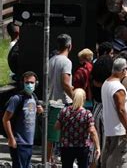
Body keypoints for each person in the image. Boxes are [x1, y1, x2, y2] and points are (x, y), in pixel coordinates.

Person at [101, 58, 127, 168]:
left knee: (109, 158)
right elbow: (121, 110)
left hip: (111, 128)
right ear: (123, 70)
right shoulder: (118, 88)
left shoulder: (106, 82)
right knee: (118, 161)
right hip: (119, 131)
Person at [2, 71, 43, 168]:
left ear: (36, 83)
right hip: (19, 142)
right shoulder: (16, 99)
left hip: (29, 142)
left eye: (32, 83)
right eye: (27, 82)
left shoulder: (33, 98)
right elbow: (5, 119)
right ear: (22, 83)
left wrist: (39, 111)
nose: (29, 85)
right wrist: (11, 138)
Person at [55, 88, 100, 168]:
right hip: (82, 146)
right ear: (84, 99)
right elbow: (92, 131)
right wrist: (97, 147)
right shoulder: (87, 113)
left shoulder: (64, 111)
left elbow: (57, 127)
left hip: (66, 146)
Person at [47, 34, 74, 163]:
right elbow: (65, 83)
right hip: (61, 102)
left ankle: (49, 160)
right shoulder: (66, 62)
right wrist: (75, 97)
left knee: (51, 135)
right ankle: (62, 161)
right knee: (64, 135)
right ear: (69, 46)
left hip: (51, 101)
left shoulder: (51, 60)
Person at [89, 52, 114, 167]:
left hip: (96, 108)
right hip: (106, 109)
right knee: (105, 142)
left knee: (95, 142)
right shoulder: (108, 83)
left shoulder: (93, 80)